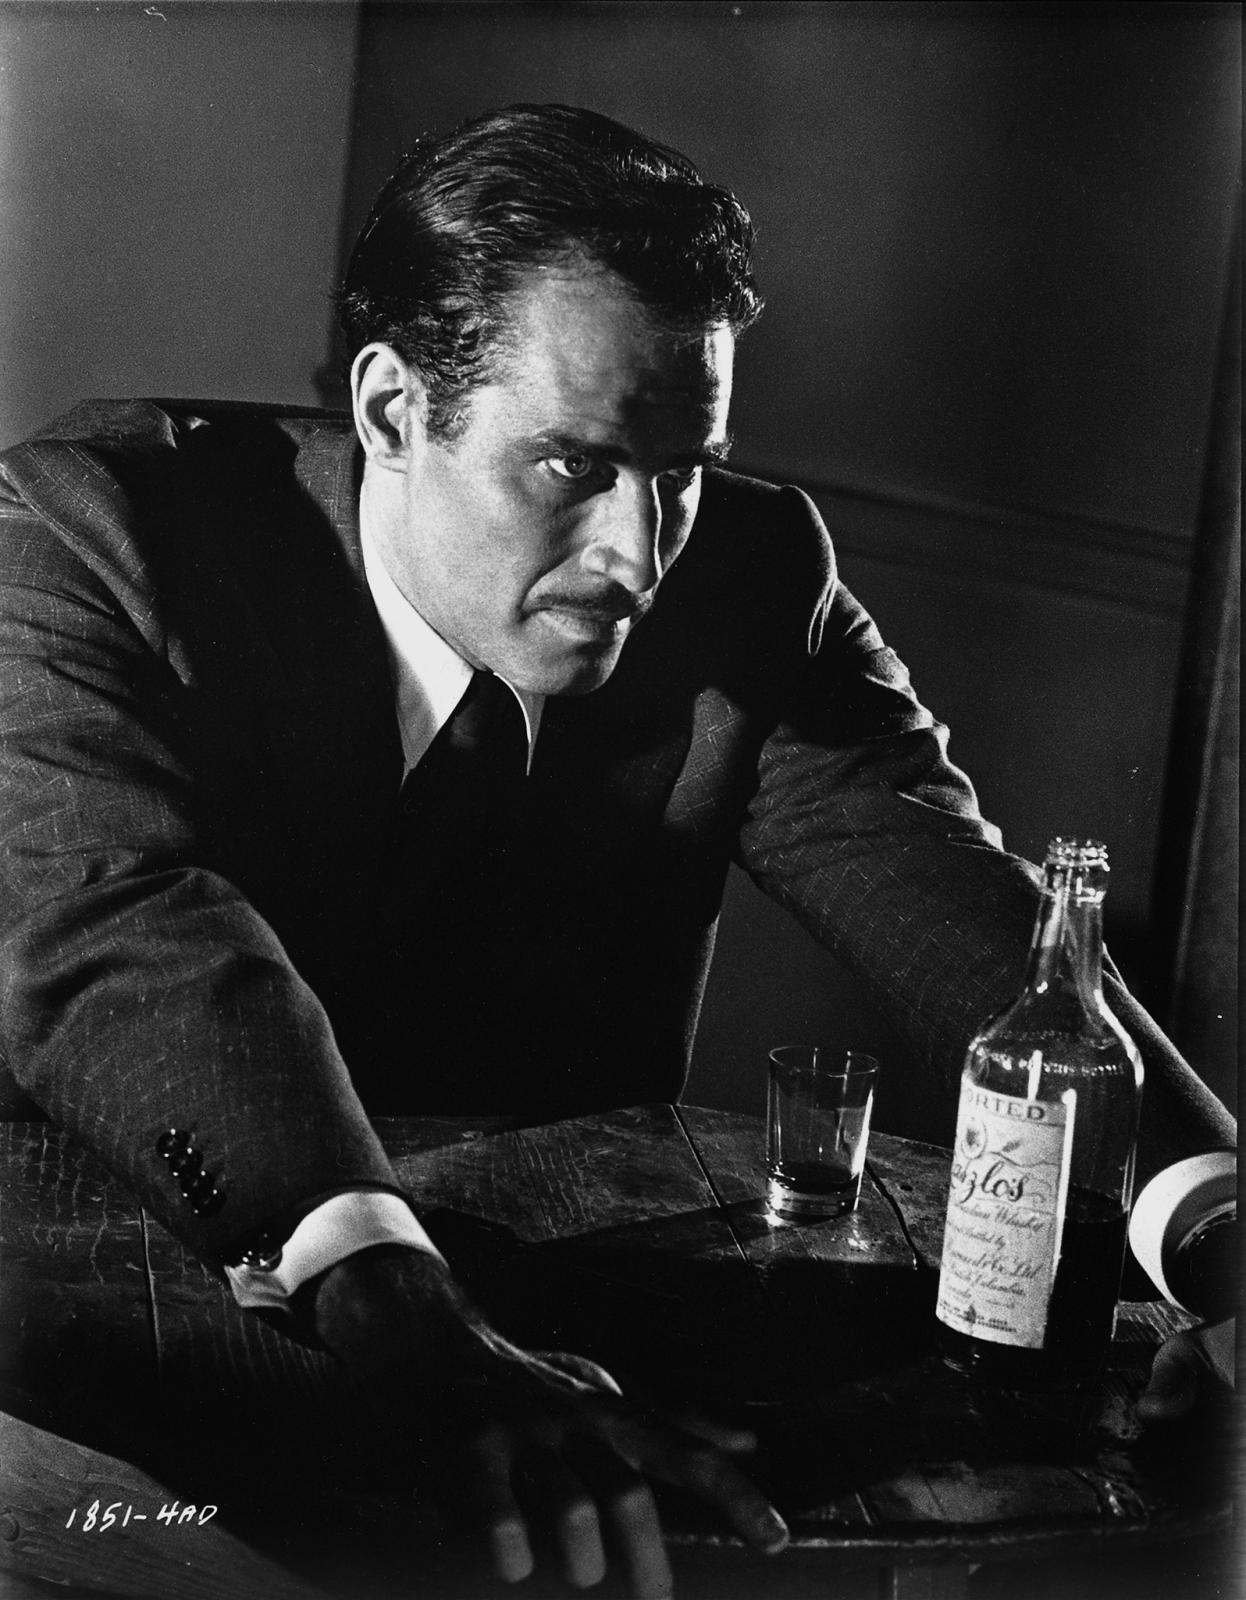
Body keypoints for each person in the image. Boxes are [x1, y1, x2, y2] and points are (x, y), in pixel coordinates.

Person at [0, 104, 1234, 1599]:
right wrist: (394, 1304)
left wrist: (1222, 1235)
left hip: (550, 1329)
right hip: (101, 1303)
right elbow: (124, 931)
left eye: (683, 467)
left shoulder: (753, 572)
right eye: (572, 465)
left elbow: (970, 923)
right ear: (392, 410)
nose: (639, 555)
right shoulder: (87, 533)